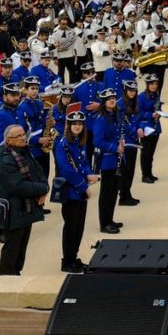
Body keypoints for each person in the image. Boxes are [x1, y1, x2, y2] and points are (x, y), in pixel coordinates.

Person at [0, 124, 49, 275]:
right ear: (8, 141)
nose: (23, 138)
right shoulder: (5, 161)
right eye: (18, 136)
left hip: (26, 209)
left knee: (21, 247)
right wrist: (42, 189)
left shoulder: (24, 152)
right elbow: (18, 186)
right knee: (12, 247)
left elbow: (39, 171)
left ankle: (16, 273)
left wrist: (44, 187)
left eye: (23, 134)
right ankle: (7, 277)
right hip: (14, 210)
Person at [54, 109, 98, 271]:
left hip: (79, 192)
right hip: (71, 192)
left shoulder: (79, 142)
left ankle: (74, 257)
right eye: (74, 124)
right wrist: (83, 186)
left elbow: (84, 163)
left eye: (80, 124)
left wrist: (89, 174)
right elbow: (66, 170)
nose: (77, 127)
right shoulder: (63, 144)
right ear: (69, 126)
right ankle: (67, 261)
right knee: (71, 227)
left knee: (79, 227)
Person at [90, 89, 123, 233]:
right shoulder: (101, 118)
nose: (112, 100)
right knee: (106, 192)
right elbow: (97, 141)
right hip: (107, 159)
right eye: (109, 98)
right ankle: (104, 223)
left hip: (116, 157)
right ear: (104, 102)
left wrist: (122, 141)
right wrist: (115, 147)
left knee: (114, 191)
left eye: (113, 98)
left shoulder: (114, 115)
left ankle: (110, 218)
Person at [135, 73, 163, 183]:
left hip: (155, 127)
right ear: (147, 85)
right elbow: (138, 113)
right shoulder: (141, 97)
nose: (154, 86)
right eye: (151, 84)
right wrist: (151, 115)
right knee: (145, 153)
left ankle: (149, 173)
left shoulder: (156, 96)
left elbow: (158, 108)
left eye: (155, 84)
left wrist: (160, 113)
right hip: (146, 127)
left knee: (151, 153)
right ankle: (144, 175)